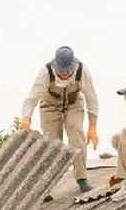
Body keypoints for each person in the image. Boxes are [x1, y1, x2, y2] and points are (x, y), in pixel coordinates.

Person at [19, 46, 99, 194]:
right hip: (50, 106)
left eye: (68, 70)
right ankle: (46, 186)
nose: (65, 73)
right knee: (52, 143)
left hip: (73, 104)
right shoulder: (45, 73)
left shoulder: (82, 71)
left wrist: (92, 128)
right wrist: (26, 118)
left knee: (76, 132)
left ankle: (81, 177)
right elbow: (31, 100)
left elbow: (92, 99)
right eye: (62, 70)